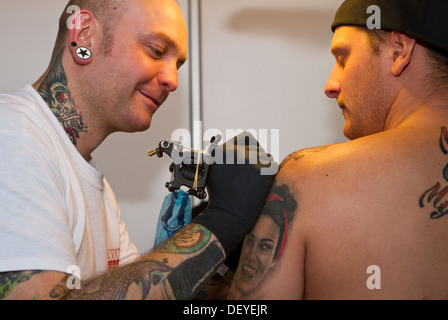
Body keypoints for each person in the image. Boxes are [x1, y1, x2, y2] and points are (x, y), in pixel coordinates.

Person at [0, 0, 276, 300]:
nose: (172, 80)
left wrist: (227, 253)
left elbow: (139, 292)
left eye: (178, 65)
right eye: (156, 51)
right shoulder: (12, 135)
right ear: (84, 35)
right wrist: (220, 223)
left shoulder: (94, 185)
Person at [229, 0, 448, 300]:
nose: (331, 85)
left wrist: (218, 224)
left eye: (342, 58)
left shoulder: (308, 179)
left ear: (398, 51)